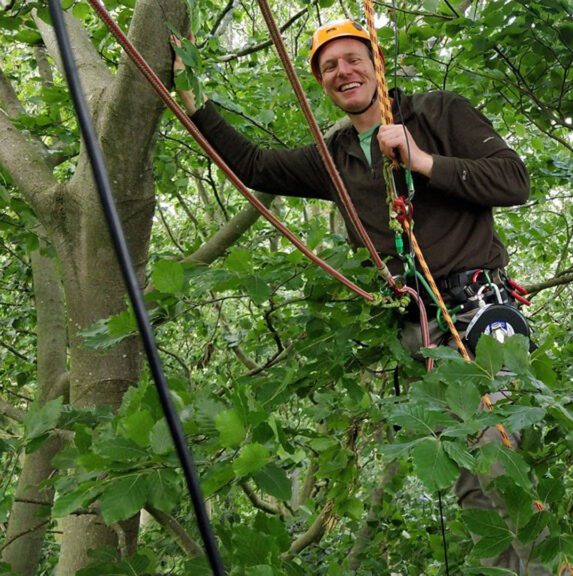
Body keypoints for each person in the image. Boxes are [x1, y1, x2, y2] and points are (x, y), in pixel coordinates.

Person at [174, 20, 550, 575]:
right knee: (471, 481)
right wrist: (194, 101)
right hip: (420, 328)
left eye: (352, 59)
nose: (342, 72)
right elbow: (254, 165)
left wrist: (422, 160)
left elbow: (514, 179)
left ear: (377, 63)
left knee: (497, 459)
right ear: (322, 84)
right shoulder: (337, 155)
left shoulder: (439, 112)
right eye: (329, 67)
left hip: (475, 313)